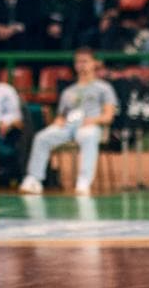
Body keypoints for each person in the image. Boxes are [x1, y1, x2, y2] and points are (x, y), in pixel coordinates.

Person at [19, 47, 117, 196]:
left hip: (90, 125)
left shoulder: (104, 88)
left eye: (85, 61)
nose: (82, 65)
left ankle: (84, 182)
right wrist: (58, 122)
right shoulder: (68, 91)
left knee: (88, 136)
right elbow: (61, 115)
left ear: (94, 63)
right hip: (68, 127)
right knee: (42, 137)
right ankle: (34, 179)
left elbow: (108, 116)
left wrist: (93, 120)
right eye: (78, 62)